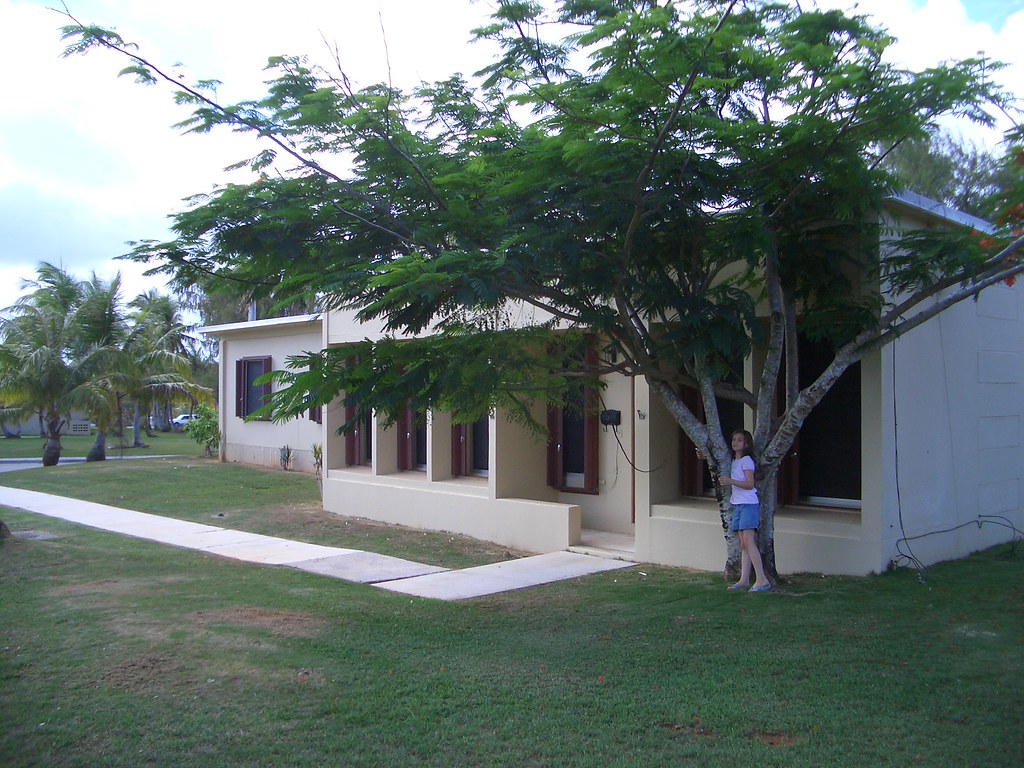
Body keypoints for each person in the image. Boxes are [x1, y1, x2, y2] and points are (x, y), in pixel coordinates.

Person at [700, 430, 772, 593]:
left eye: (740, 440)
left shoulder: (747, 461)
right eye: (734, 439)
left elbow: (749, 484)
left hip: (748, 504)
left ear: (746, 444)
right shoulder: (733, 461)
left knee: (748, 542)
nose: (735, 442)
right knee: (743, 544)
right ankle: (744, 579)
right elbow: (717, 459)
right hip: (738, 505)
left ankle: (762, 579)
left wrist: (730, 481)